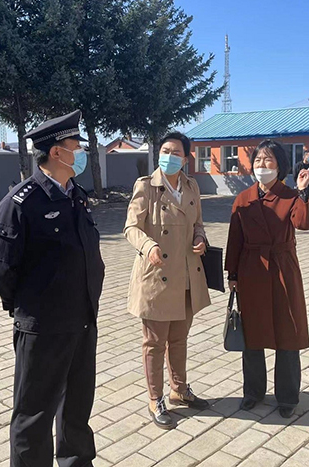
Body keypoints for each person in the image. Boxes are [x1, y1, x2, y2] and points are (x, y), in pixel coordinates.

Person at [0, 110, 105, 466]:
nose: (81, 152)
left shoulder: (76, 195)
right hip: (43, 327)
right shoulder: (21, 203)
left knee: (77, 408)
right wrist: (30, 305)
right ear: (56, 152)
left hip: (82, 321)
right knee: (34, 415)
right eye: (76, 146)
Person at [124, 131, 211, 430]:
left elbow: (198, 223)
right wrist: (148, 246)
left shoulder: (191, 186)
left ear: (185, 159)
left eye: (175, 152)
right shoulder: (146, 186)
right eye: (165, 151)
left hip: (186, 276)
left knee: (179, 339)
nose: (169, 156)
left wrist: (200, 238)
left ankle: (179, 389)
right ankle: (155, 398)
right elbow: (131, 227)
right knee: (154, 343)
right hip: (156, 275)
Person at [225, 140, 309, 417]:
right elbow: (235, 239)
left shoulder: (290, 195)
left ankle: (287, 397)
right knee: (252, 334)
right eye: (258, 160)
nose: (262, 165)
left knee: (287, 332)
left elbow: (304, 223)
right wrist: (232, 273)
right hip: (251, 270)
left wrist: (303, 191)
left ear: (280, 165)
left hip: (282, 269)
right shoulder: (244, 198)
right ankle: (253, 392)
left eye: (268, 160)